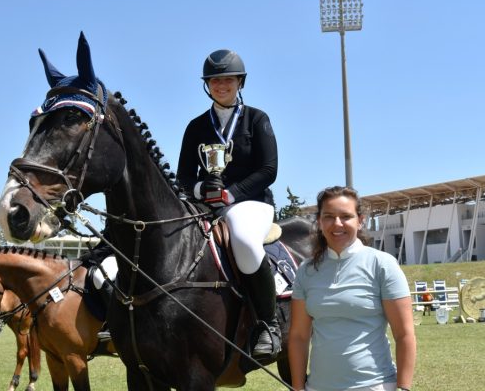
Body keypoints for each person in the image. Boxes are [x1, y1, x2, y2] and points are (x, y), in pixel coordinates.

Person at [176, 49, 280, 358]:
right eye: (215, 80)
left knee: (245, 241)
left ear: (240, 83)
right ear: (207, 84)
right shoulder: (196, 126)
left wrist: (230, 193)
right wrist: (201, 188)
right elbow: (182, 176)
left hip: (252, 202)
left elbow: (269, 170)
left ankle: (267, 324)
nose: (222, 85)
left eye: (228, 80)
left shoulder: (256, 119)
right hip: (205, 205)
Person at [289, 186, 416, 391]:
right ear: (320, 222)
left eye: (346, 216)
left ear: (360, 220)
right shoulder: (306, 270)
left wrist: (403, 388)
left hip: (375, 385)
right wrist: (298, 388)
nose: (337, 223)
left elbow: (404, 334)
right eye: (328, 216)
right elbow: (298, 337)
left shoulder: (382, 264)